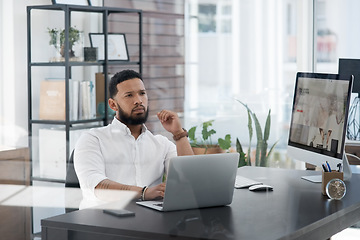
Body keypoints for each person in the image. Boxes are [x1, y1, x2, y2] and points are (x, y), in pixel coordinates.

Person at [74, 69, 193, 205]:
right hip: (102, 219)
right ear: (113, 104)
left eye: (142, 93)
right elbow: (95, 185)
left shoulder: (161, 144)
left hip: (149, 221)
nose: (138, 100)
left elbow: (188, 180)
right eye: (129, 95)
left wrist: (178, 134)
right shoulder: (93, 139)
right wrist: (143, 193)